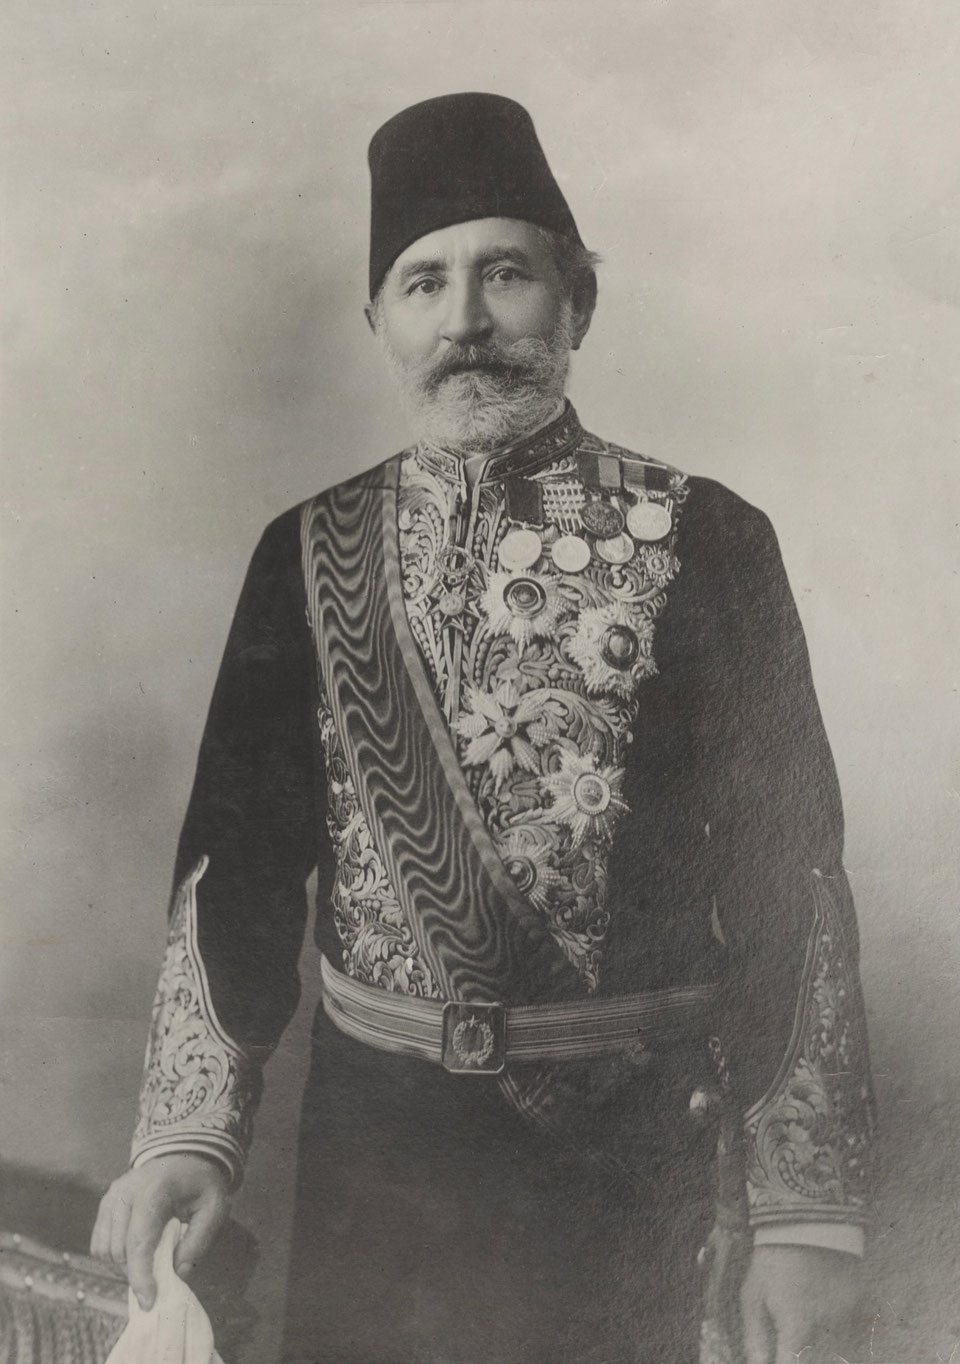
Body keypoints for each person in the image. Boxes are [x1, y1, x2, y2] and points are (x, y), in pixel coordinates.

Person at [91, 93, 875, 1364]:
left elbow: (791, 883)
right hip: (374, 1162)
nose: (463, 321)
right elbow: (235, 870)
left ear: (578, 302)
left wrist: (807, 1215)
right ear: (380, 323)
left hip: (627, 1160)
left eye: (504, 273)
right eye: (423, 284)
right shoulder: (307, 551)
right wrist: (190, 1134)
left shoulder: (715, 540)